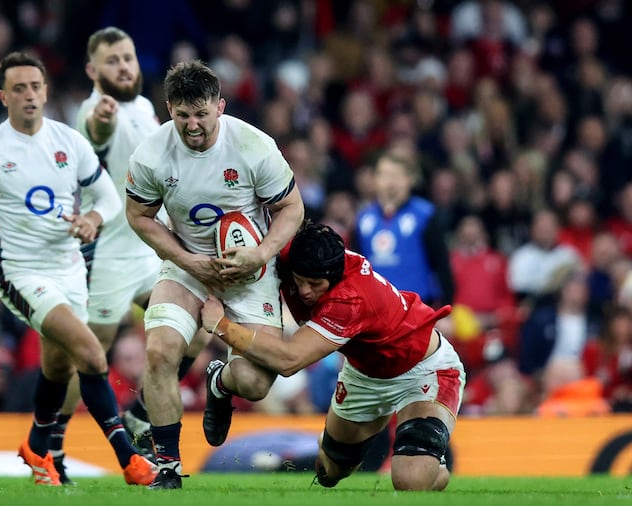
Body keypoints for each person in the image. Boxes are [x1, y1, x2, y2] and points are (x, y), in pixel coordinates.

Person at [0, 52, 157, 487]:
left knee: (59, 368)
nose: (29, 95)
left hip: (69, 268)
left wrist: (93, 220)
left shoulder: (68, 140)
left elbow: (107, 197)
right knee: (89, 351)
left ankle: (36, 448)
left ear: (46, 91)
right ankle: (130, 460)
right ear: (4, 96)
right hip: (20, 271)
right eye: (20, 88)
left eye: (36, 86)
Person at [125, 60, 305, 488]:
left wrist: (259, 254)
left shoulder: (253, 145)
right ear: (169, 108)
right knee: (160, 352)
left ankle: (220, 383)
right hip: (188, 262)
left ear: (219, 106)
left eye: (201, 114)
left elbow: (291, 208)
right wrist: (186, 260)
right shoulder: (151, 155)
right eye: (183, 115)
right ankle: (167, 467)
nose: (192, 125)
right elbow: (139, 215)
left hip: (250, 269)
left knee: (256, 383)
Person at [51, 27, 212, 483]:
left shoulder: (144, 107)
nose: (123, 66)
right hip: (108, 256)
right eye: (113, 60)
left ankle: (142, 413)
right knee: (90, 356)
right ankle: (52, 444)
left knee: (197, 327)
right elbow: (95, 136)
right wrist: (101, 120)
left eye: (128, 57)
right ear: (92, 71)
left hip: (151, 248)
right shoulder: (93, 111)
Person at [200, 221, 465, 491]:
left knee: (410, 481)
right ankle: (393, 452)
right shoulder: (298, 254)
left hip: (424, 369)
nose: (304, 291)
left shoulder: (350, 299)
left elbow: (289, 361)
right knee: (329, 472)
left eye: (315, 284)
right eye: (300, 281)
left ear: (334, 277)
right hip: (365, 374)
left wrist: (222, 326)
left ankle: (433, 460)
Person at [351, 150, 454, 308]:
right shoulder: (362, 219)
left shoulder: (427, 215)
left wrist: (448, 306)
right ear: (374, 180)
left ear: (410, 179)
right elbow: (355, 269)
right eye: (384, 175)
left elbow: (442, 265)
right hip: (375, 309)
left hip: (418, 307)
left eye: (397, 176)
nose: (391, 183)